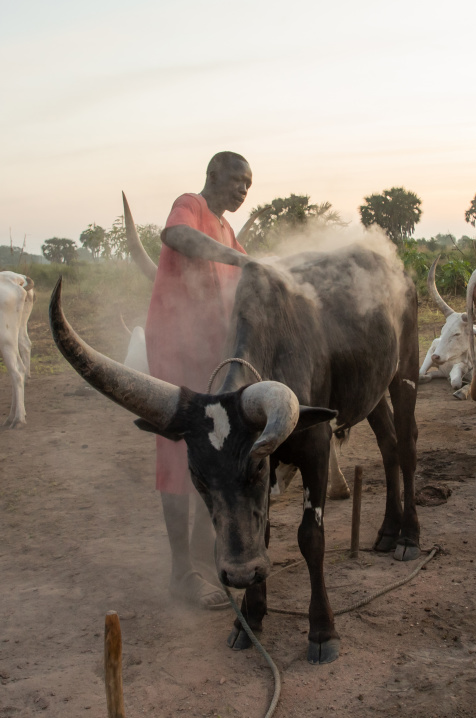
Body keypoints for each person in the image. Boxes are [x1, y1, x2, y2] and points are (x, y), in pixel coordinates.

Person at [145, 151, 251, 609]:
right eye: (238, 180)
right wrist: (236, 257)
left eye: (249, 184)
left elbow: (251, 275)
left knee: (216, 457)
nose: (244, 190)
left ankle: (203, 558)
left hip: (214, 358)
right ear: (213, 176)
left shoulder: (229, 231)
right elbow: (175, 234)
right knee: (175, 453)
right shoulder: (190, 205)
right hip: (176, 350)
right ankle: (181, 573)